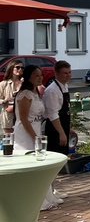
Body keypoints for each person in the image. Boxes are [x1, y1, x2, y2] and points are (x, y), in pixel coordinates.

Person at [13, 65, 61, 210]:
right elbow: (23, 119)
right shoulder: (25, 95)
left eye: (41, 75)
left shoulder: (36, 93)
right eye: (36, 75)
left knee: (38, 162)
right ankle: (28, 197)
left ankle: (43, 196)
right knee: (28, 162)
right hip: (25, 132)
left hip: (36, 128)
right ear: (29, 77)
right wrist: (35, 137)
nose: (40, 78)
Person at [43, 60, 75, 156]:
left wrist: (68, 129)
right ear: (56, 74)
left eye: (69, 72)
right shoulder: (52, 90)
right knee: (56, 155)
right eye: (65, 73)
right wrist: (61, 133)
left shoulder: (64, 86)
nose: (68, 75)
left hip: (63, 125)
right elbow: (53, 115)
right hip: (54, 129)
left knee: (64, 155)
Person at [0, 59, 24, 133]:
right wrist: (5, 100)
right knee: (8, 138)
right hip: (8, 117)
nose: (20, 69)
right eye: (18, 67)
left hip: (21, 117)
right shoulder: (4, 84)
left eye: (22, 68)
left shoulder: (24, 84)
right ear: (11, 68)